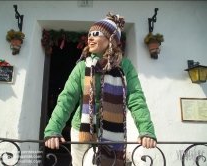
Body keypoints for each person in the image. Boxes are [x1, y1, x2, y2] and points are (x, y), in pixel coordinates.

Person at [44, 12, 157, 166]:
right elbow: (66, 99)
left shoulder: (125, 67)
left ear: (111, 40)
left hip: (112, 132)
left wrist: (147, 131)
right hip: (81, 132)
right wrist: (52, 130)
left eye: (96, 34)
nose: (89, 38)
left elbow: (136, 99)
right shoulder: (82, 67)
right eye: (89, 34)